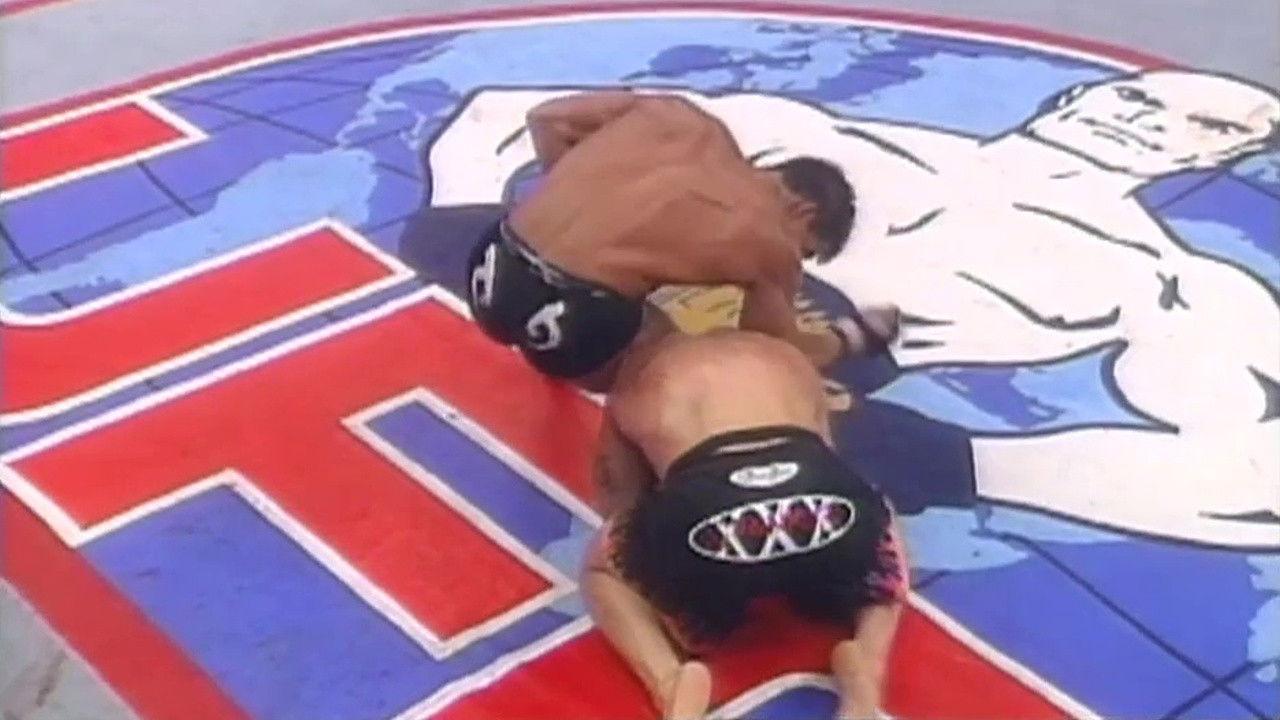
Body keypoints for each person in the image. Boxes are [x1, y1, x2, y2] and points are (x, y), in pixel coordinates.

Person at [430, 72, 1280, 547]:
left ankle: (641, 519)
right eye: (1138, 99)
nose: (1147, 124)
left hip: (521, 276)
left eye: (1208, 127)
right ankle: (629, 542)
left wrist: (959, 462)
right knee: (699, 379)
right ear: (1079, 95)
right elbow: (492, 112)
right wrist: (454, 220)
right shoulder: (791, 146)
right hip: (681, 350)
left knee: (701, 360)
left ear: (1232, 149)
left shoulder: (1161, 276)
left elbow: (1257, 476)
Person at [457, 90, 897, 389]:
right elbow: (775, 348)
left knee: (628, 292)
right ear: (804, 211)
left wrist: (570, 189)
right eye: (805, 249)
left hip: (491, 266)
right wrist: (853, 338)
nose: (796, 261)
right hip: (571, 325)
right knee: (683, 359)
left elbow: (547, 119)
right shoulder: (767, 240)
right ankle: (632, 482)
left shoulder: (676, 117)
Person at [583, 327, 906, 719]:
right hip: (813, 490)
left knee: (601, 568)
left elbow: (616, 494)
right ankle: (868, 655)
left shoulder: (636, 379)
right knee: (877, 521)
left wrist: (670, 548)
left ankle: (669, 681)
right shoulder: (786, 357)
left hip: (708, 510)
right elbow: (826, 458)